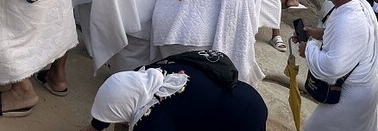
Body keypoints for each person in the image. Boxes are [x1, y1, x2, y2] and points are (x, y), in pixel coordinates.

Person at [81, 54, 268, 131]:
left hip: (241, 122)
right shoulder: (149, 74)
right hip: (246, 95)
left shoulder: (152, 121)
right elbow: (113, 101)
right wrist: (96, 126)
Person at [298, 0, 378, 131]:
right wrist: (316, 33)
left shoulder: (349, 20)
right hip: (365, 88)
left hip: (354, 93)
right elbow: (343, 38)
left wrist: (308, 49)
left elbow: (332, 67)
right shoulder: (356, 5)